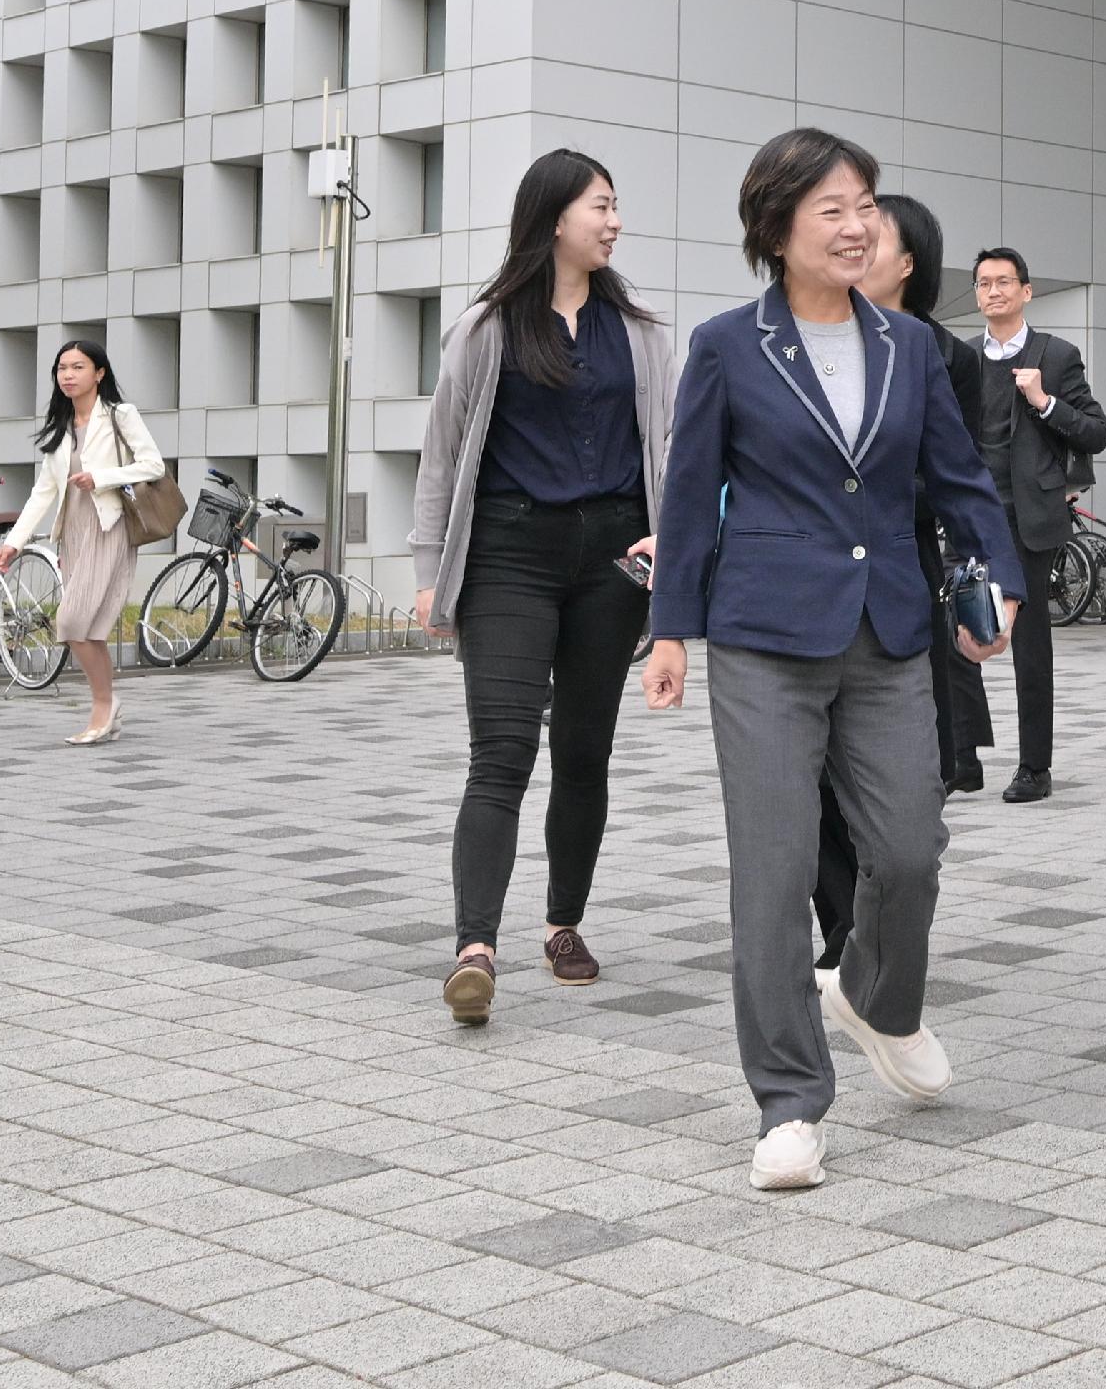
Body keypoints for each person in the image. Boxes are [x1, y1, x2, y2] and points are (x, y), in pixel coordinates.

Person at [643, 129, 1024, 1194]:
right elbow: (689, 494)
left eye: (866, 206)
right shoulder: (729, 346)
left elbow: (958, 477)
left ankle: (874, 997)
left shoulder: (909, 346)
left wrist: (1000, 578)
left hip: (890, 630)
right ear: (776, 228)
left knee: (908, 850)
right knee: (772, 875)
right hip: (764, 634)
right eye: (833, 209)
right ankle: (789, 1102)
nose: (858, 227)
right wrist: (670, 629)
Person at [409, 150, 675, 1025]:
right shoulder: (487, 327)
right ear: (554, 217)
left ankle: (563, 925)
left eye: (615, 205)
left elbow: (669, 448)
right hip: (508, 556)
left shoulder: (639, 332)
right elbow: (443, 454)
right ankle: (475, 949)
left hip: (613, 562)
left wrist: (670, 544)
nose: (615, 221)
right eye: (601, 205)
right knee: (502, 751)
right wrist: (428, 572)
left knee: (585, 751)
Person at [815, 192, 991, 968]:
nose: (853, 244)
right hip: (808, 579)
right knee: (809, 766)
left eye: (873, 237)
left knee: (920, 772)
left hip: (905, 575)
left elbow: (959, 476)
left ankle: (879, 913)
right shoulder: (808, 339)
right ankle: (842, 930)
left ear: (909, 263)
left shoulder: (948, 360)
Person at [965, 242, 1106, 800]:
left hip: (1029, 516)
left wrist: (1044, 400)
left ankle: (1034, 767)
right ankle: (960, 759)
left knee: (1028, 642)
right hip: (973, 513)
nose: (994, 291)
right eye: (984, 283)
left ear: (1026, 291)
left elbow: (1097, 431)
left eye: (1004, 281)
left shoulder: (1056, 355)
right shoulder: (963, 359)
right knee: (957, 631)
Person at [0, 339, 164, 747]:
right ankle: (106, 708)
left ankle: (103, 707)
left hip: (108, 527)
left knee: (72, 621)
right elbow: (43, 492)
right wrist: (14, 543)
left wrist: (101, 478)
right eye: (62, 368)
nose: (68, 375)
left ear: (99, 373)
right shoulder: (62, 425)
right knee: (87, 628)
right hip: (73, 534)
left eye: (78, 367)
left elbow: (153, 465)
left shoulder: (120, 415)